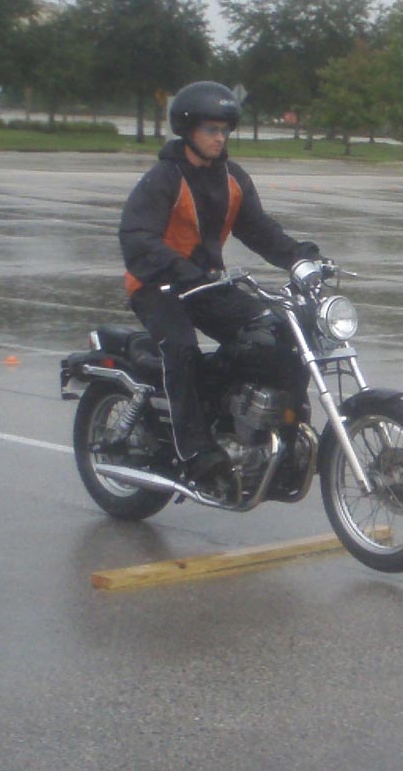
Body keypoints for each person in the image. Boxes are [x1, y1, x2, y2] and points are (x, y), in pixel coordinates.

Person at [119, 81, 322, 487]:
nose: (219, 137)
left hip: (206, 285)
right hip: (157, 285)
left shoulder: (232, 179)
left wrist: (300, 257)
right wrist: (180, 269)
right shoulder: (164, 178)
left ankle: (274, 429)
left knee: (277, 334)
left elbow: (258, 230)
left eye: (225, 130)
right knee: (181, 348)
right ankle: (193, 452)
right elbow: (136, 237)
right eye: (211, 129)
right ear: (188, 129)